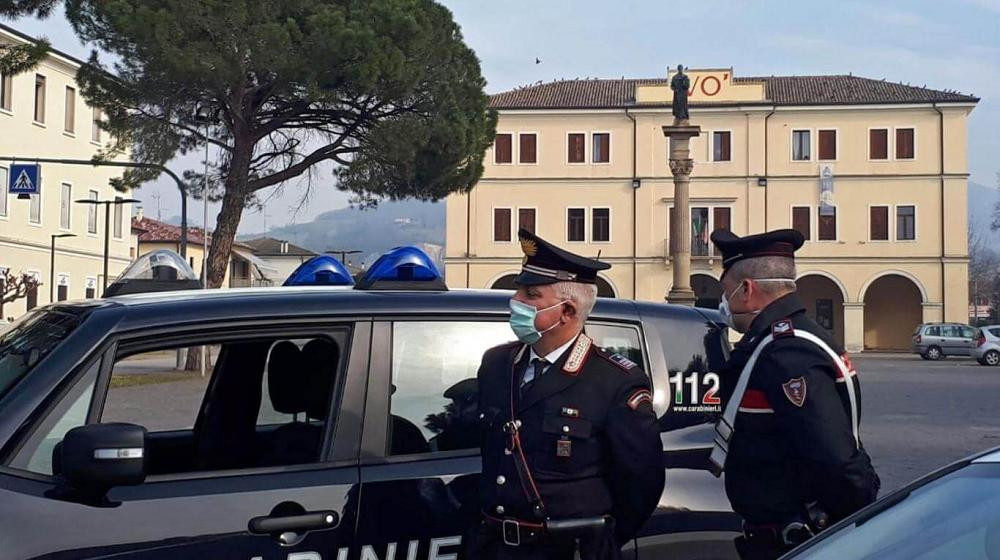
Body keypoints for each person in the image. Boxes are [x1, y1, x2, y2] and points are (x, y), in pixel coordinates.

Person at [462, 229, 664, 560]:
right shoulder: (498, 363)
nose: (516, 302)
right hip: (493, 547)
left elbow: (641, 484)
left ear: (567, 311)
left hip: (567, 549)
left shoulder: (614, 381)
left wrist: (594, 538)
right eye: (519, 291)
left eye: (531, 295)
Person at [708, 229, 880, 560]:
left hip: (796, 539)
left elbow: (835, 457)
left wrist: (844, 524)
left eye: (726, 291)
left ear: (747, 290)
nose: (724, 301)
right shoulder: (784, 340)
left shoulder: (788, 352)